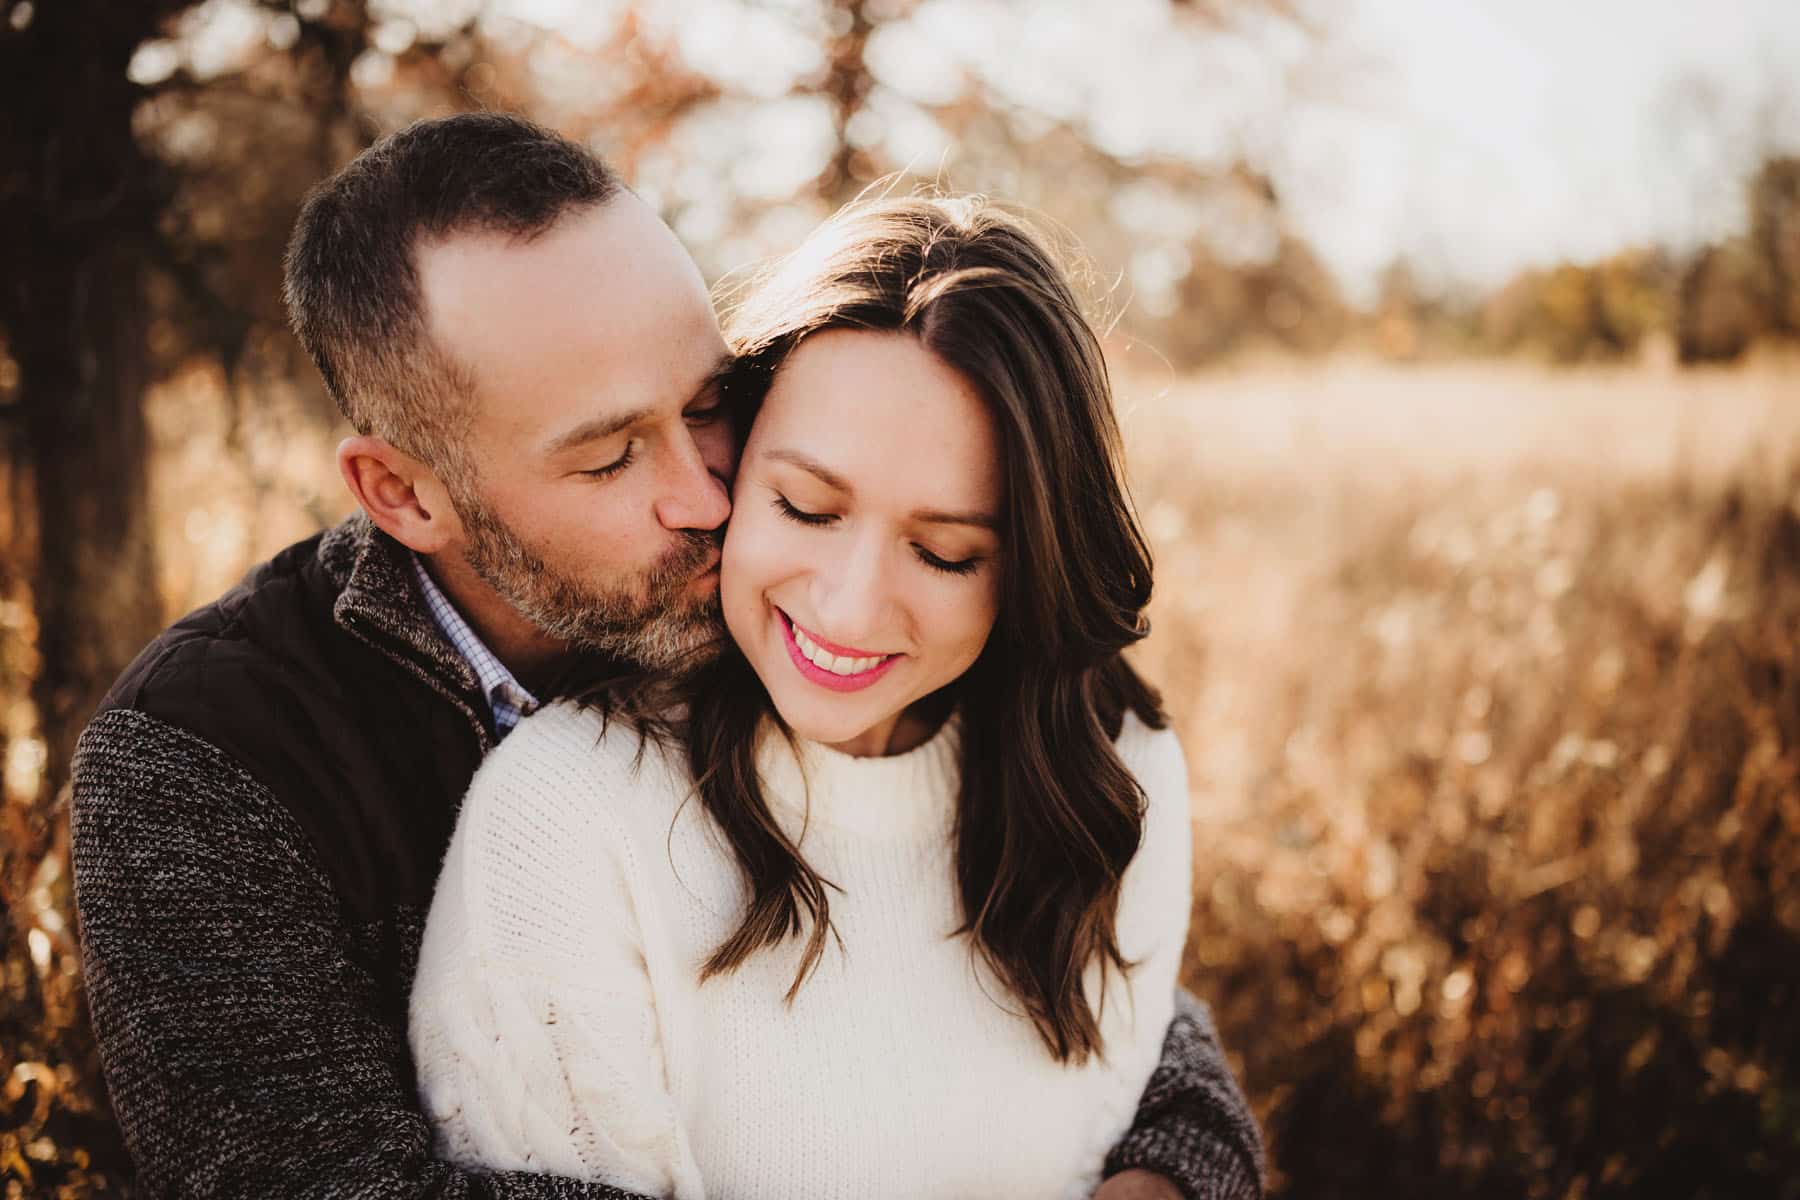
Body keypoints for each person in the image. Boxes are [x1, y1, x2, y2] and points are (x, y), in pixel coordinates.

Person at [68, 113, 1264, 1198]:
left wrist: (1172, 1160)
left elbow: (1048, 977)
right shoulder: (202, 766)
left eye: (707, 403)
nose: (707, 495)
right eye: (608, 459)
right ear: (406, 494)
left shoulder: (789, 619)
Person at [407, 192, 1221, 1199]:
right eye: (805, 506)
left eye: (944, 551)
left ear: (1030, 567)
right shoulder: (569, 815)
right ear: (730, 468)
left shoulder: (1120, 771)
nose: (848, 605)